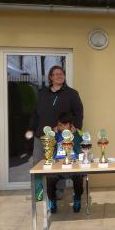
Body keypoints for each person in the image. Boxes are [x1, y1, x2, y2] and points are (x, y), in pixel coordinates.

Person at [25, 66, 84, 201]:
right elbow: (35, 113)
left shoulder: (72, 93)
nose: (59, 76)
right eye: (56, 74)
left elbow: (79, 113)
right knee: (37, 165)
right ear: (51, 77)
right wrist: (31, 128)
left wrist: (75, 128)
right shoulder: (43, 93)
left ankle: (58, 192)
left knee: (59, 164)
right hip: (41, 136)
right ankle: (38, 193)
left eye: (61, 74)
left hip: (60, 137)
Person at [45, 113, 85, 214]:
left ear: (69, 125)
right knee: (50, 177)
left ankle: (77, 198)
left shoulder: (78, 134)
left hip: (73, 164)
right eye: (58, 125)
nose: (59, 127)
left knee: (78, 176)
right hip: (58, 165)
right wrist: (52, 136)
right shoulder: (55, 134)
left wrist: (75, 135)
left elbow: (81, 151)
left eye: (62, 125)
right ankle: (52, 200)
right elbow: (49, 150)